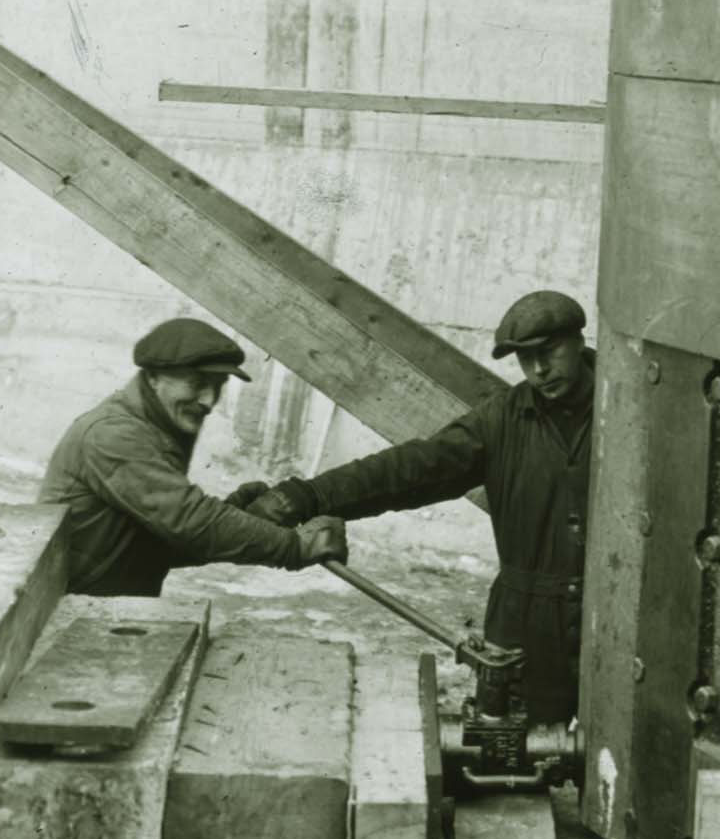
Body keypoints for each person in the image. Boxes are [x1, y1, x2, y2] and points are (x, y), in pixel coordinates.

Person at [247, 290, 593, 725]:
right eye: (526, 360)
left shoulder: (628, 411)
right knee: (517, 758)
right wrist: (305, 496)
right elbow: (412, 469)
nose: (539, 370)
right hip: (525, 631)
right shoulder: (501, 421)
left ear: (579, 341)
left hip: (613, 624)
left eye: (548, 352)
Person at [40, 316, 347, 596]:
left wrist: (244, 513)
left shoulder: (158, 423)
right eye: (198, 383)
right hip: (66, 609)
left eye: (218, 387)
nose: (209, 400)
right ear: (153, 378)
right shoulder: (114, 434)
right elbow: (189, 522)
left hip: (105, 603)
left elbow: (163, 539)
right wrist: (296, 547)